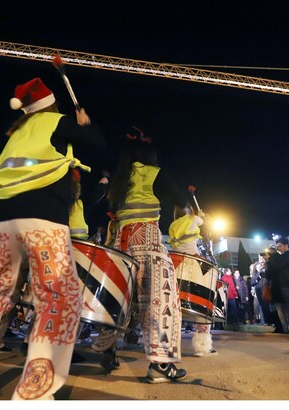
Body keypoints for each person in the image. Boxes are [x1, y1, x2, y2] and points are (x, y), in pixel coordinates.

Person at [0, 77, 105, 400]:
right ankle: (34, 393)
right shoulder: (57, 122)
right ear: (51, 104)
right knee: (58, 297)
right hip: (43, 220)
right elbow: (98, 142)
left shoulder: (16, 133)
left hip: (4, 223)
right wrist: (85, 123)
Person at [106, 125, 189, 383]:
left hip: (121, 245)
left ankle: (107, 351)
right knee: (162, 302)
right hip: (149, 244)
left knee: (118, 301)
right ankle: (161, 366)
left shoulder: (120, 179)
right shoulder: (154, 174)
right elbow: (180, 200)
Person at [168, 204, 217, 357]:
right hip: (193, 266)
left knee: (172, 307)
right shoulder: (193, 218)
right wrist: (203, 215)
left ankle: (167, 345)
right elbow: (211, 224)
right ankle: (202, 347)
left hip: (175, 265)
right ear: (190, 211)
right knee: (202, 306)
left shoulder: (173, 224)